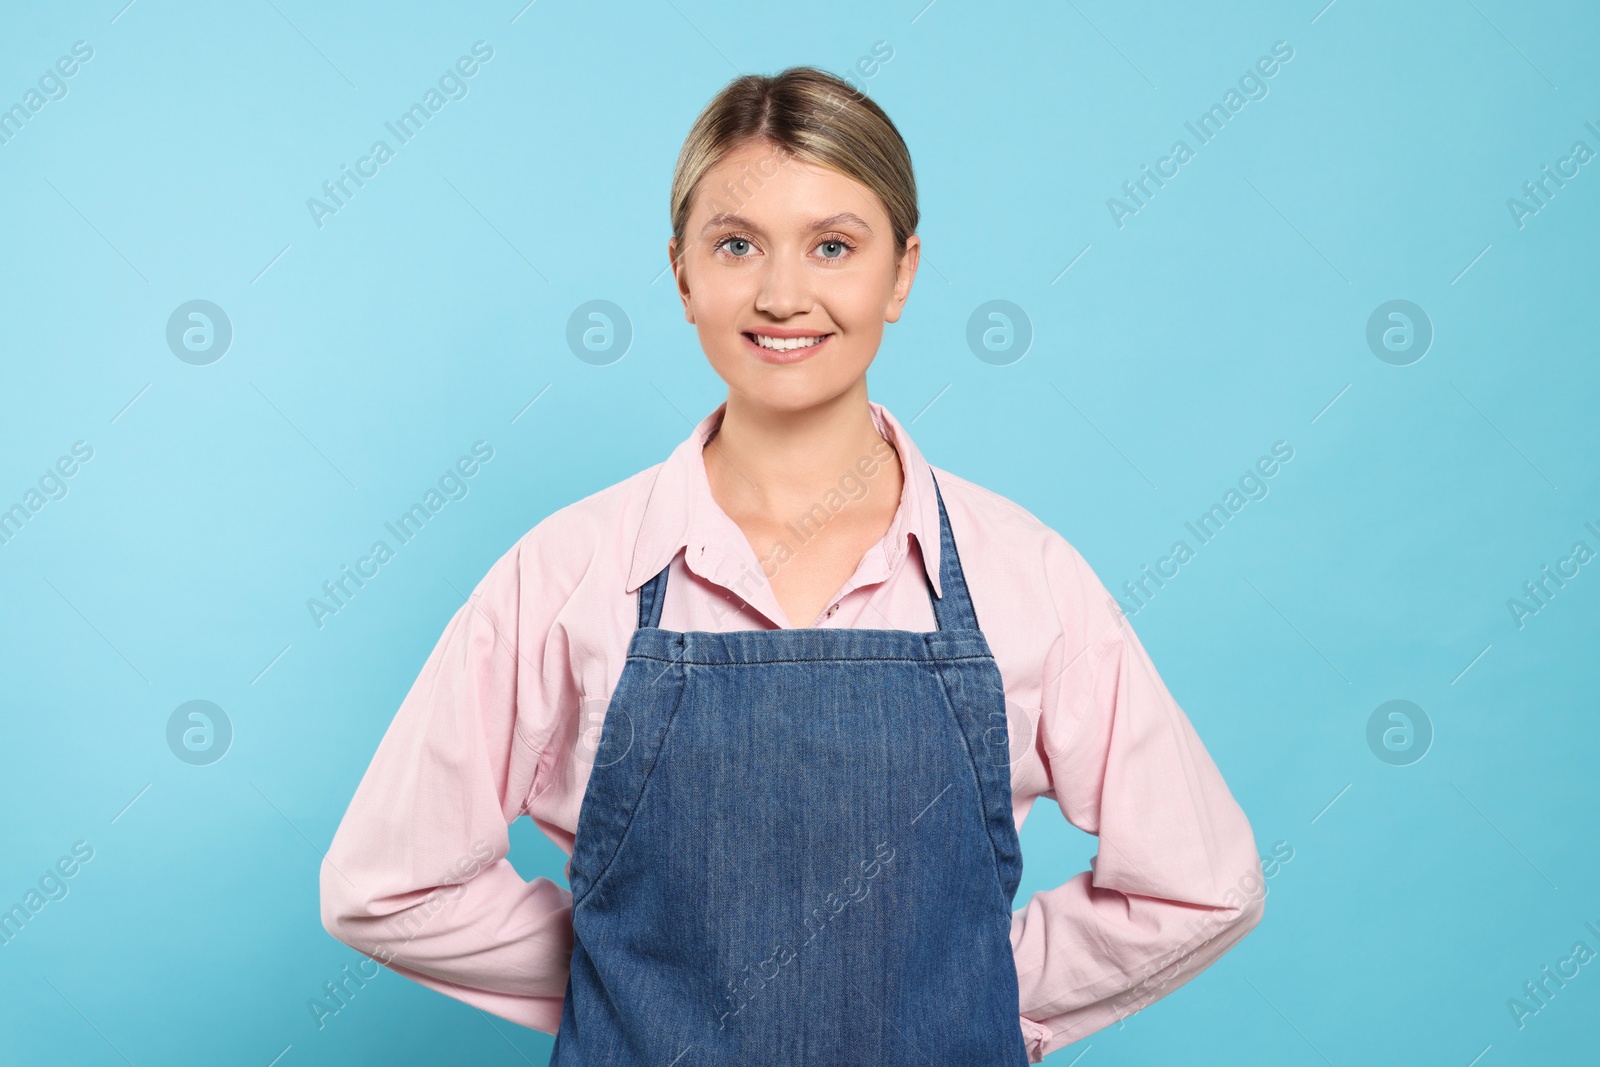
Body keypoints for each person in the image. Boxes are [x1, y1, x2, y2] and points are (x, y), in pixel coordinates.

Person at [320, 65, 1265, 1065]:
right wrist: (626, 978)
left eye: (832, 246)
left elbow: (1202, 880)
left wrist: (970, 988)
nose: (781, 293)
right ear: (681, 271)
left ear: (900, 273)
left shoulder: (1023, 576)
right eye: (736, 244)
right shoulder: (565, 574)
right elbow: (387, 882)